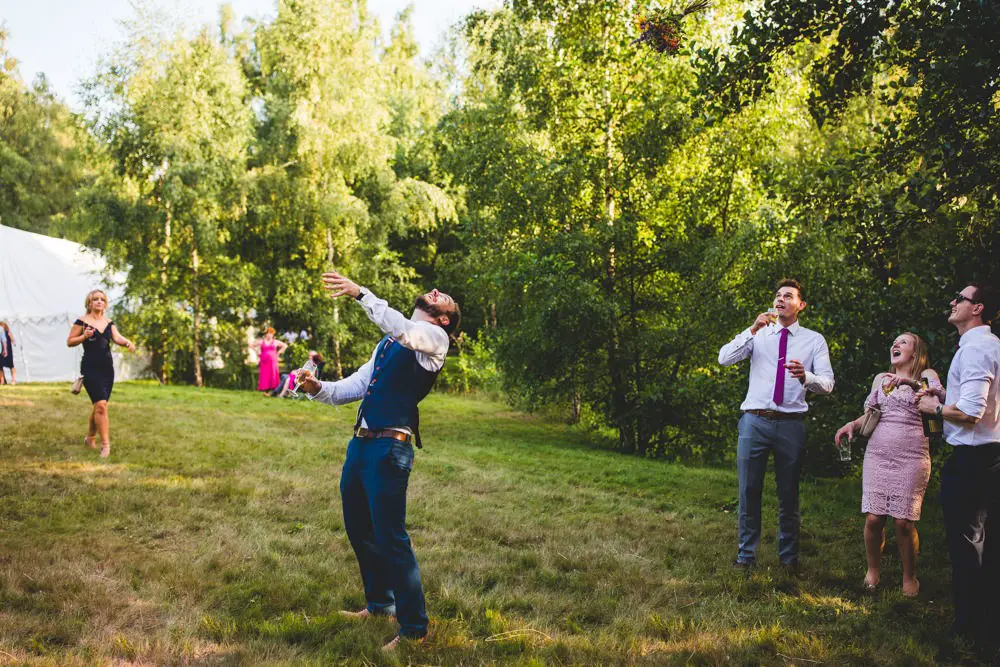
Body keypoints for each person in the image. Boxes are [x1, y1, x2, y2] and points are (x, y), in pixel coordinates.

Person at [298, 270, 460, 652]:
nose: (436, 290)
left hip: (391, 448)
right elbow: (353, 386)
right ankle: (379, 604)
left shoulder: (435, 340)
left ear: (444, 319)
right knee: (359, 527)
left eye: (445, 297)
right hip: (361, 444)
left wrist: (359, 294)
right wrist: (317, 388)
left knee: (391, 537)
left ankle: (414, 630)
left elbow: (405, 330)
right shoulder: (386, 345)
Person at [718, 278, 835, 572]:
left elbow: (828, 384)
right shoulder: (759, 334)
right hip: (754, 421)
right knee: (748, 490)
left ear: (801, 305)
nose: (781, 299)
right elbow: (724, 359)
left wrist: (805, 376)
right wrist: (751, 329)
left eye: (788, 295)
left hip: (791, 424)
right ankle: (746, 556)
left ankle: (788, 558)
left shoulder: (814, 340)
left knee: (788, 493)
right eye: (778, 295)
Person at [916, 283, 1000, 648]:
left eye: (960, 299)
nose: (952, 302)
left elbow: (970, 413)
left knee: (967, 546)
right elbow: (971, 402)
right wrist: (945, 397)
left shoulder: (978, 348)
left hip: (974, 462)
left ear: (977, 307)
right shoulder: (987, 346)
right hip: (990, 456)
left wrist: (934, 409)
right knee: (987, 545)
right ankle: (987, 626)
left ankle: (971, 631)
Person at [835, 333, 943, 596]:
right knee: (874, 518)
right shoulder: (881, 379)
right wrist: (852, 425)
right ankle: (873, 571)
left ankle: (910, 577)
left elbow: (938, 399)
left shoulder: (927, 373)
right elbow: (872, 414)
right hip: (878, 456)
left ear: (916, 353)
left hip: (912, 456)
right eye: (894, 342)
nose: (895, 344)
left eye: (903, 342)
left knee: (903, 522)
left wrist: (908, 382)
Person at [66, 289, 136, 458]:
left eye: (102, 299)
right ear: (89, 303)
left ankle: (90, 438)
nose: (99, 302)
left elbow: (117, 337)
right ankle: (106, 446)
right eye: (95, 299)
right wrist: (83, 336)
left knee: (99, 406)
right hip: (90, 368)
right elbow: (70, 342)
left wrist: (127, 342)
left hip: (107, 369)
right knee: (101, 406)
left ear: (105, 304)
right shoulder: (82, 322)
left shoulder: (108, 322)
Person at [251, 327, 286, 393]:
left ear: (273, 335)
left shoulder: (275, 341)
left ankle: (274, 388)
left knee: (273, 374)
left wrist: (278, 353)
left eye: (271, 333)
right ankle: (265, 388)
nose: (269, 335)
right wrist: (257, 352)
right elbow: (251, 345)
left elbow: (284, 345)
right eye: (268, 333)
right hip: (264, 361)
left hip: (273, 361)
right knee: (265, 374)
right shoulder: (261, 341)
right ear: (266, 334)